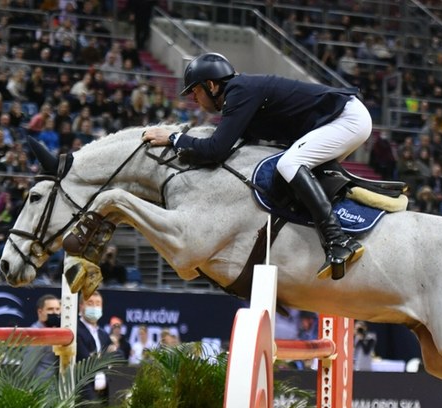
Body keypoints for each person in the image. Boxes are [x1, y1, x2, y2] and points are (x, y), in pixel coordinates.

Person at [142, 52, 371, 280]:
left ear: (211, 86)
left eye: (195, 90)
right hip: (340, 119)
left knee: (290, 164)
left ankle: (338, 241)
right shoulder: (241, 94)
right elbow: (228, 149)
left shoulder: (239, 91)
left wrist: (175, 138)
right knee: (290, 172)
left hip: (346, 119)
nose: (193, 98)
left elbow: (216, 149)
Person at [76, 291, 118, 405]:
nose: (94, 307)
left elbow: (118, 357)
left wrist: (100, 358)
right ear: (81, 306)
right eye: (90, 303)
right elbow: (85, 361)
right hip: (84, 392)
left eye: (98, 304)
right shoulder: (75, 330)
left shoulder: (103, 334)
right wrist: (105, 359)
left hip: (105, 392)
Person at [27, 294, 61, 382]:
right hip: (41, 389)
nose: (55, 312)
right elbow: (28, 367)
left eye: (57, 309)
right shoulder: (36, 333)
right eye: (50, 309)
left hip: (58, 388)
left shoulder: (59, 330)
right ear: (40, 312)